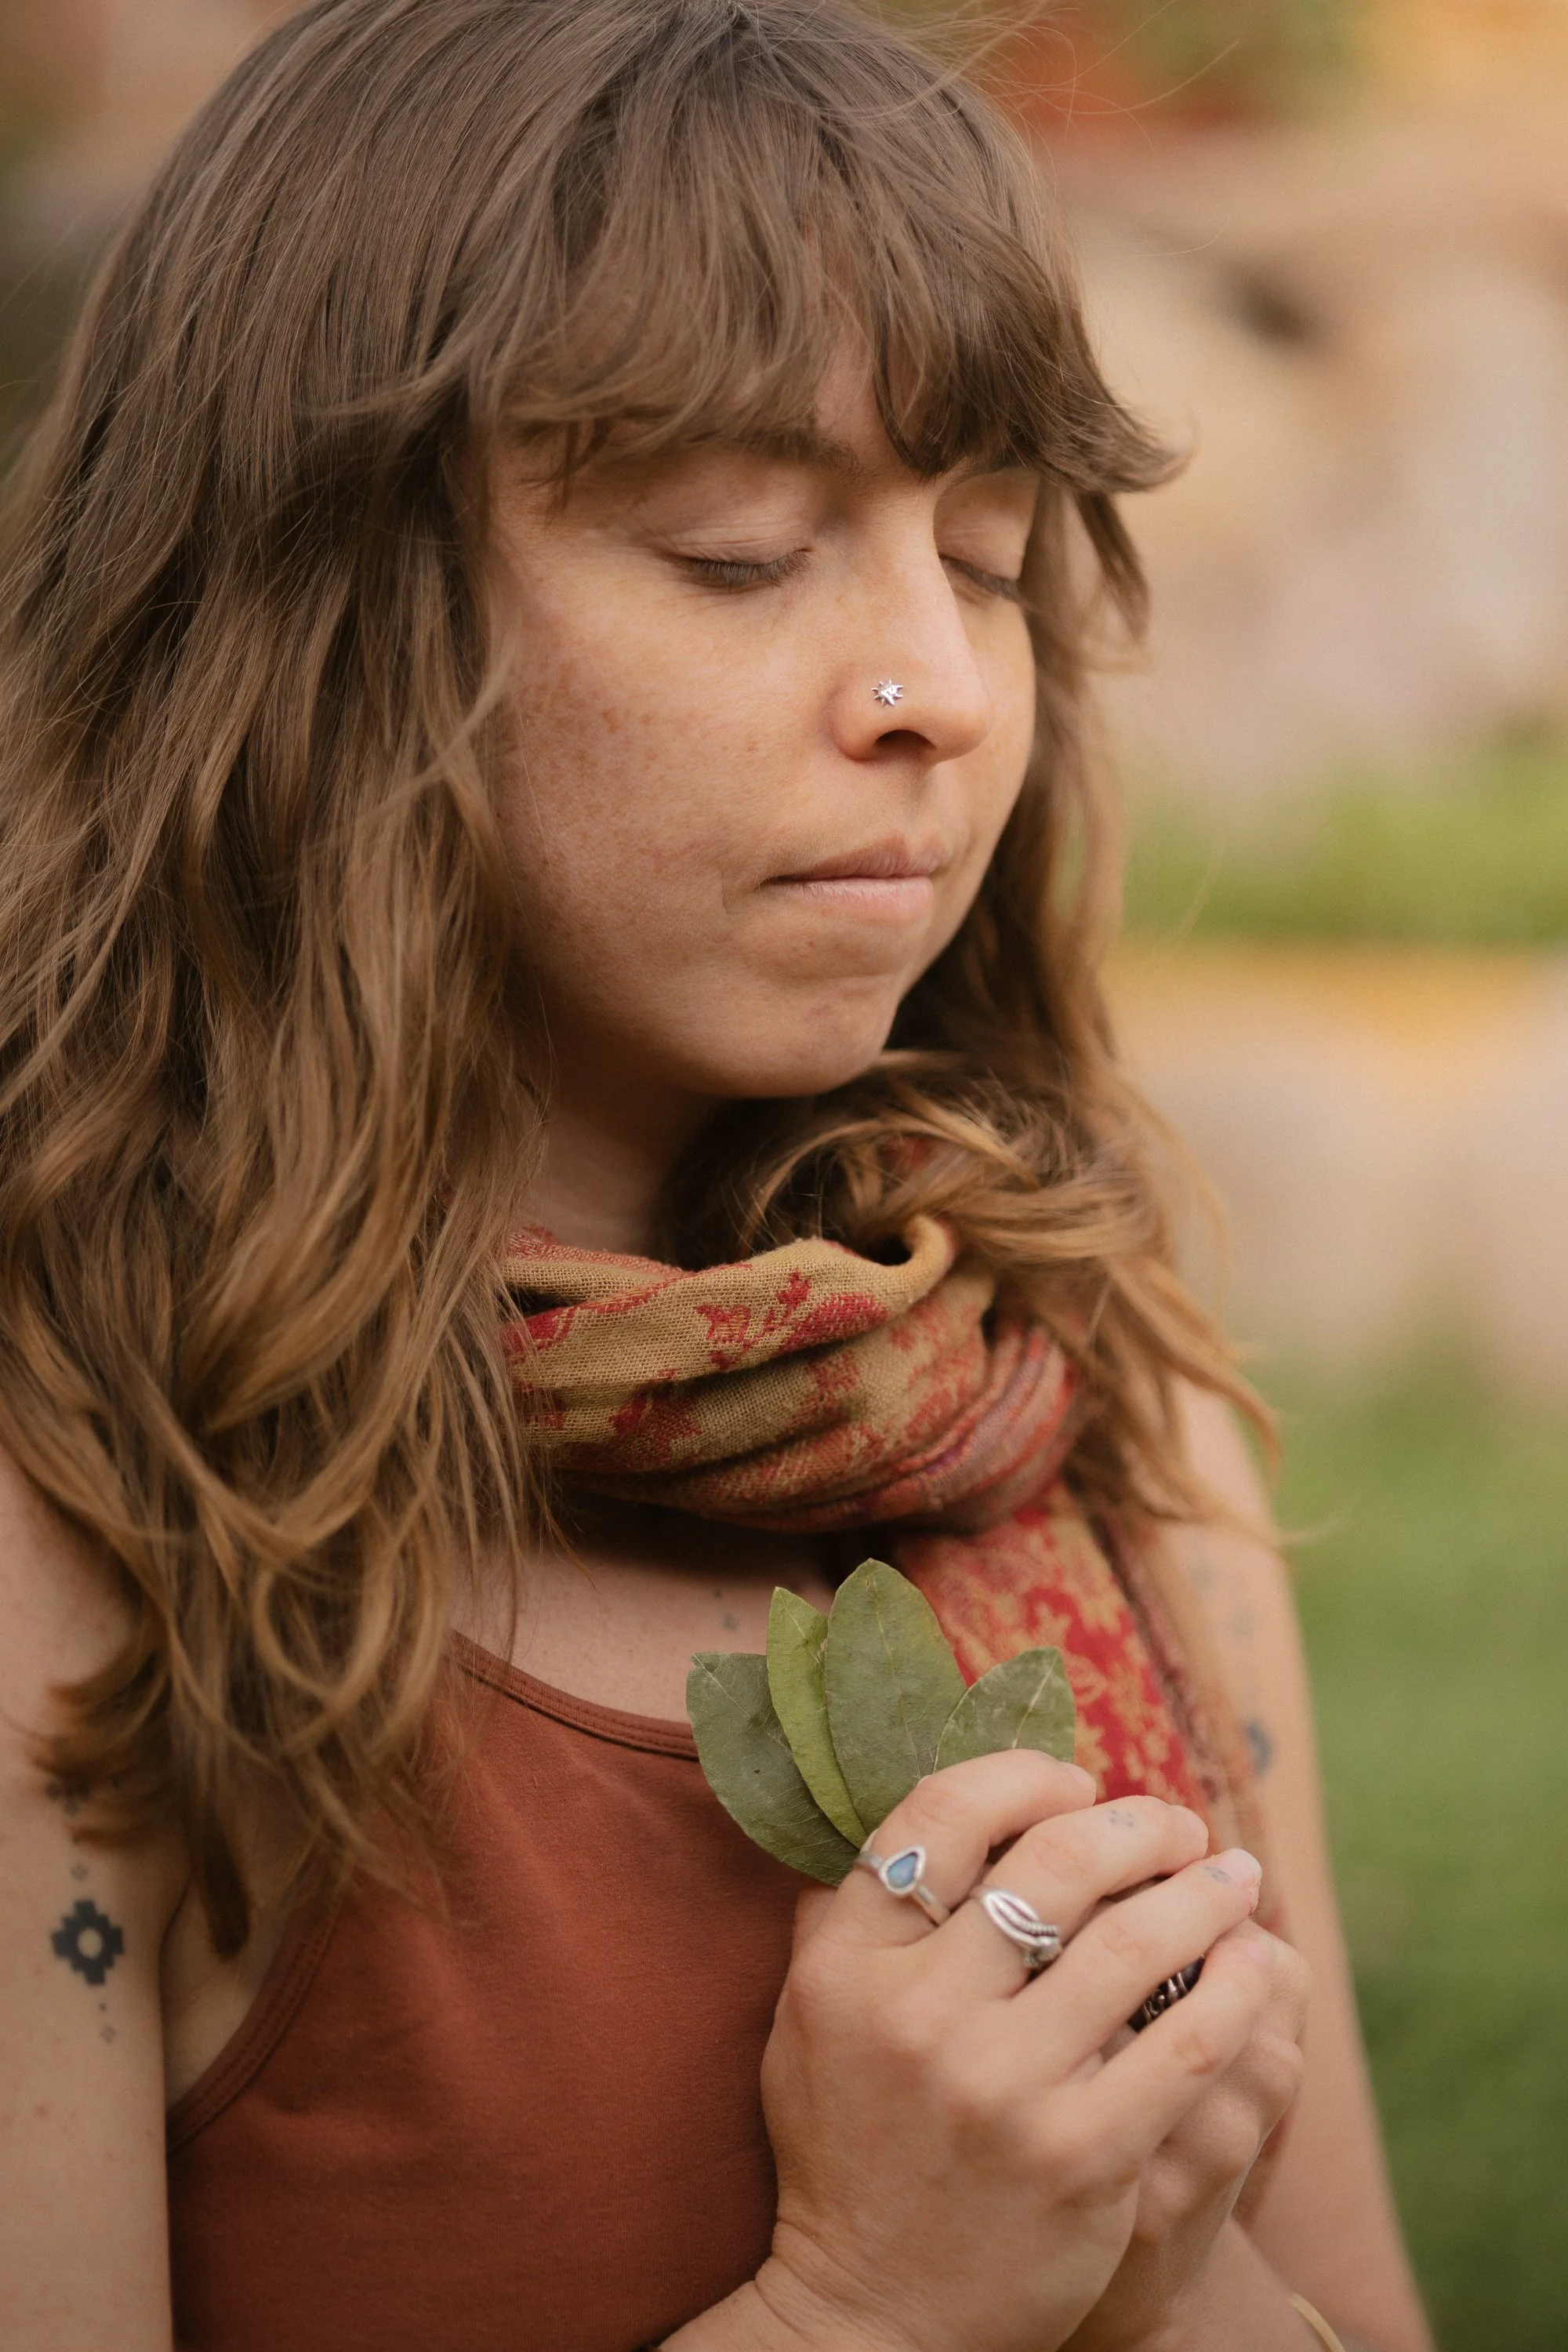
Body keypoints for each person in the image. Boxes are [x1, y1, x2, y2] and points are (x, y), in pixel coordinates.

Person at [0, 4, 1433, 2348]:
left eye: (987, 556)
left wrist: (1149, 2261)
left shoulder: (1073, 1409)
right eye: (741, 554)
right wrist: (869, 2305)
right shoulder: (80, 1513)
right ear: (320, 618)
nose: (933, 684)